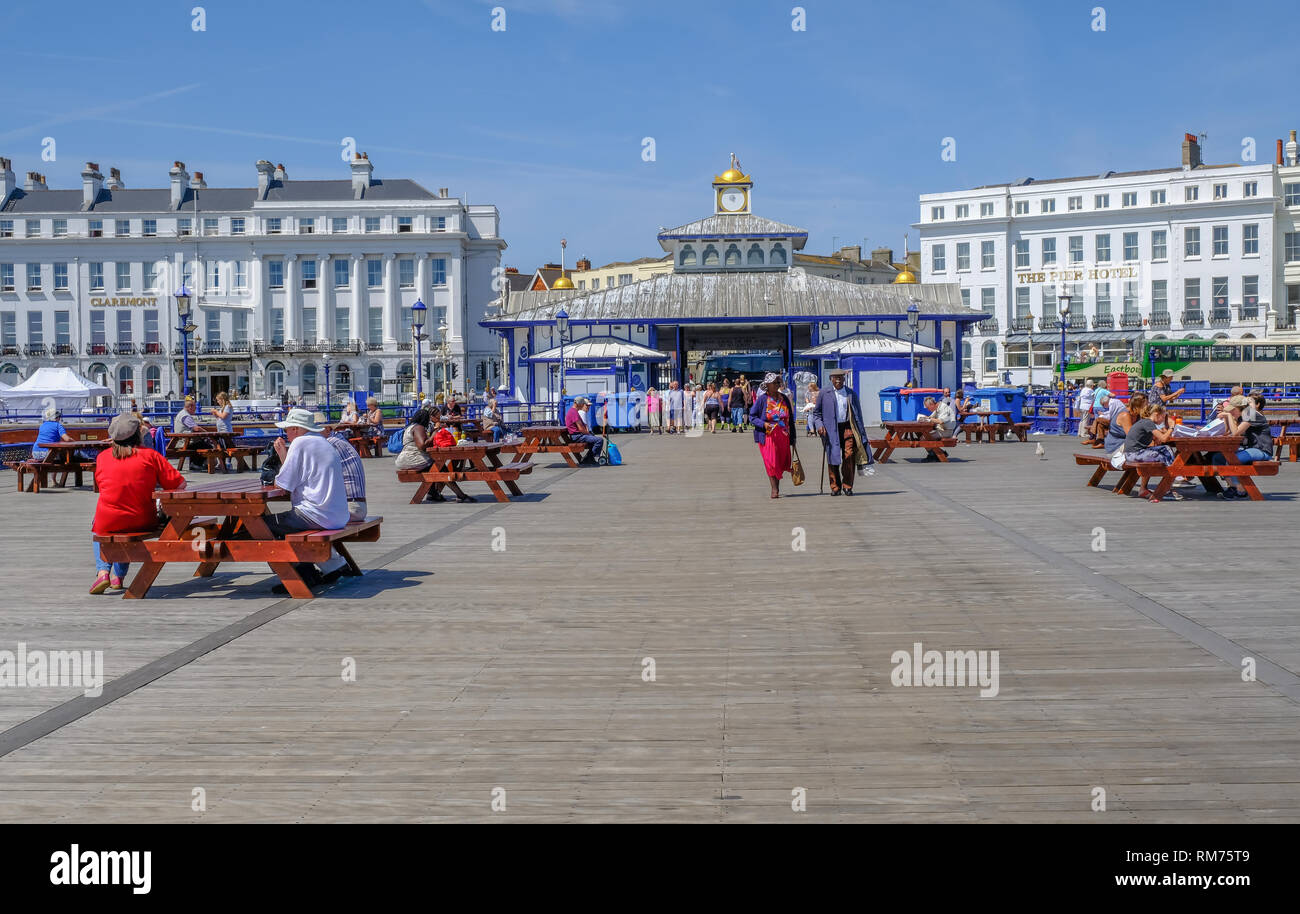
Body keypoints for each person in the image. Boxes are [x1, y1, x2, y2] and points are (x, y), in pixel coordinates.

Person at [89, 413, 186, 594]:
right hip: (142, 519)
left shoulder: (102, 457)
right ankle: (118, 577)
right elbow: (180, 485)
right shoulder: (150, 456)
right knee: (126, 525)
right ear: (137, 435)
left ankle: (103, 572)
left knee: (99, 524)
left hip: (108, 521)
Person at [813, 369, 870, 495]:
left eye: (840, 377)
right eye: (835, 378)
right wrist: (819, 425)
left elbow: (858, 414)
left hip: (848, 428)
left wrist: (861, 432)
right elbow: (816, 413)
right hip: (830, 430)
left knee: (849, 455)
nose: (838, 380)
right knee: (832, 457)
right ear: (831, 379)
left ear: (844, 379)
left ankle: (847, 486)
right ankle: (835, 487)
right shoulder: (824, 393)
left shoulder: (850, 394)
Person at [1211, 395, 1273, 499]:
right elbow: (1228, 432)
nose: (1231, 412)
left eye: (1233, 410)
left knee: (1233, 459)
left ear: (1241, 409)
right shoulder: (1243, 415)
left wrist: (1229, 416)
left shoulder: (1251, 414)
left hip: (1261, 450)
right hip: (1250, 449)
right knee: (1218, 458)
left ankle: (1241, 490)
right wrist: (1227, 417)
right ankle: (1233, 487)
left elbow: (1235, 433)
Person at [749, 372, 796, 498]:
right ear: (767, 385)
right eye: (774, 383)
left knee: (779, 462)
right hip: (768, 436)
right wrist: (763, 424)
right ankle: (774, 489)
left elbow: (790, 419)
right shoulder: (762, 400)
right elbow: (752, 417)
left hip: (783, 436)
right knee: (771, 462)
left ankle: (777, 487)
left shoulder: (784, 398)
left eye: (777, 383)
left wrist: (793, 437)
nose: (776, 385)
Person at [1124, 402, 1179, 502]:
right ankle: (1169, 482)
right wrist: (1171, 426)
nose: (1163, 420)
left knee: (1166, 449)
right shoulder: (1148, 423)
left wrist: (1164, 431)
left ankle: (1172, 475)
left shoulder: (1145, 422)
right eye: (1163, 417)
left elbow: (1160, 439)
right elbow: (1163, 438)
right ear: (1157, 414)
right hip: (1133, 454)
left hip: (1134, 452)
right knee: (1160, 455)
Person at [325, 427, 369, 525]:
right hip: (356, 506)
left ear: (327, 430)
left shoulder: (328, 444)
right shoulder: (339, 440)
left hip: (349, 508)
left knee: (295, 520)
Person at [565, 396, 604, 465]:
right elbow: (580, 428)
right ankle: (589, 458)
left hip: (577, 435)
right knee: (599, 440)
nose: (583, 405)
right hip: (577, 436)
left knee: (594, 440)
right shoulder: (574, 412)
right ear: (578, 404)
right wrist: (588, 433)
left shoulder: (573, 411)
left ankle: (588, 458)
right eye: (582, 404)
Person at [919, 396, 956, 460]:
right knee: (925, 436)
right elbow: (931, 417)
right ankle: (940, 453)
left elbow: (940, 421)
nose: (928, 409)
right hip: (942, 429)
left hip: (946, 431)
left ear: (931, 404)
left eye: (928, 407)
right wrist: (926, 418)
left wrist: (929, 419)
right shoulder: (937, 408)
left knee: (923, 438)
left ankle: (933, 455)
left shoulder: (943, 407)